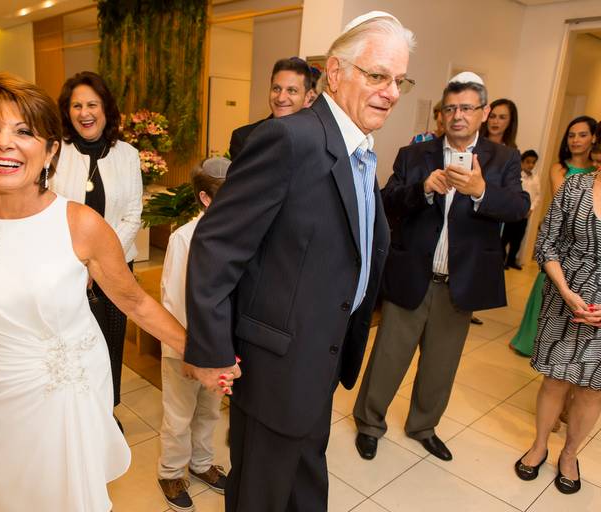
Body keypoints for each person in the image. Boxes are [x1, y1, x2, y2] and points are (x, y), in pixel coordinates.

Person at [0, 73, 239, 512]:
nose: (3, 143)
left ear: (52, 150)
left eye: (24, 131)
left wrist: (201, 353)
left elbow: (135, 301)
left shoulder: (81, 224)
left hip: (62, 397)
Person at [185, 12, 415, 511]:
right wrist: (211, 349)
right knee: (261, 495)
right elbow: (217, 244)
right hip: (275, 368)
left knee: (304, 485)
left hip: (320, 357)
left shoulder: (360, 149)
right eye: (378, 76)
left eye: (400, 80)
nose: (392, 92)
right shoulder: (290, 139)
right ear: (335, 72)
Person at [353, 72, 529, 462]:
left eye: (466, 108)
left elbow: (519, 208)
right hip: (411, 274)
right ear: (441, 114)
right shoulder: (415, 154)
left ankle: (423, 426)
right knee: (388, 358)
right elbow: (386, 202)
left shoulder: (503, 159)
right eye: (450, 109)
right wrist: (423, 189)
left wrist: (481, 191)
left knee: (441, 364)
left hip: (459, 283)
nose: (457, 116)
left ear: (484, 112)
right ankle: (369, 423)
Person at [51, 71, 143, 428]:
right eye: (76, 106)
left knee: (111, 341)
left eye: (92, 104)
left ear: (106, 109)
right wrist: (79, 263)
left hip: (116, 268)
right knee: (72, 343)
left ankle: (106, 411)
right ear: (67, 111)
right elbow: (49, 211)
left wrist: (100, 261)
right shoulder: (57, 151)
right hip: (66, 267)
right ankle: (76, 413)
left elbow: (132, 215)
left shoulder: (127, 154)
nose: (84, 112)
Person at [515, 163, 601, 496]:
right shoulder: (574, 186)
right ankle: (539, 445)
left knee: (593, 389)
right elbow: (546, 243)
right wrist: (565, 290)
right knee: (555, 380)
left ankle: (569, 455)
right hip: (563, 294)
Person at [157, 157, 231, 512]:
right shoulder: (184, 238)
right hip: (185, 348)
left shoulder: (236, 235)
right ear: (205, 198)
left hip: (220, 348)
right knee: (179, 415)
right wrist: (188, 352)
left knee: (209, 412)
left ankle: (202, 463)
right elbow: (173, 299)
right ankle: (170, 472)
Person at [508, 117, 597, 358]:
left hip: (588, 244)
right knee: (547, 289)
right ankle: (531, 340)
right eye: (571, 135)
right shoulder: (560, 169)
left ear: (593, 138)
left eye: (582, 135)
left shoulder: (596, 170)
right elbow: (565, 202)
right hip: (561, 239)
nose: (575, 140)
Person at [228, 56, 314, 160]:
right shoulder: (244, 138)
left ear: (307, 97)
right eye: (276, 89)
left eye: (292, 90)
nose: (281, 98)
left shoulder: (316, 139)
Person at [502, 150, 540, 270]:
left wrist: (531, 209)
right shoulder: (516, 176)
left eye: (533, 162)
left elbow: (537, 195)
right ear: (522, 162)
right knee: (506, 237)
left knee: (518, 238)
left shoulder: (535, 178)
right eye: (528, 162)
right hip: (513, 212)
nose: (531, 165)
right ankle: (501, 260)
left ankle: (511, 260)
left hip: (525, 214)